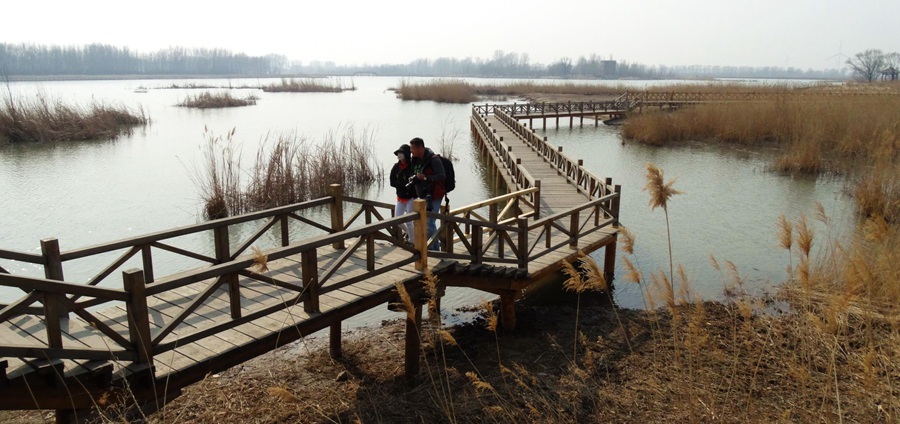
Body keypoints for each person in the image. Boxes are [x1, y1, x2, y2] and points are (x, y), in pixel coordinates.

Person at [408, 137, 445, 250]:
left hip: (435, 194)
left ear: (420, 148)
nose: (411, 151)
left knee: (429, 222)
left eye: (412, 148)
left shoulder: (434, 160)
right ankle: (433, 249)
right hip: (422, 194)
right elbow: (414, 172)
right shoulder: (415, 160)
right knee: (426, 222)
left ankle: (432, 250)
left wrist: (425, 177)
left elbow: (442, 176)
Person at [389, 144, 416, 243]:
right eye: (398, 153)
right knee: (398, 220)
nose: (399, 155)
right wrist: (403, 185)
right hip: (400, 197)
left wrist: (408, 186)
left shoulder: (412, 166)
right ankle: (409, 233)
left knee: (409, 220)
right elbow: (392, 181)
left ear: (406, 154)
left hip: (411, 198)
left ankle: (413, 241)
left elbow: (414, 181)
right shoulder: (396, 167)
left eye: (401, 153)